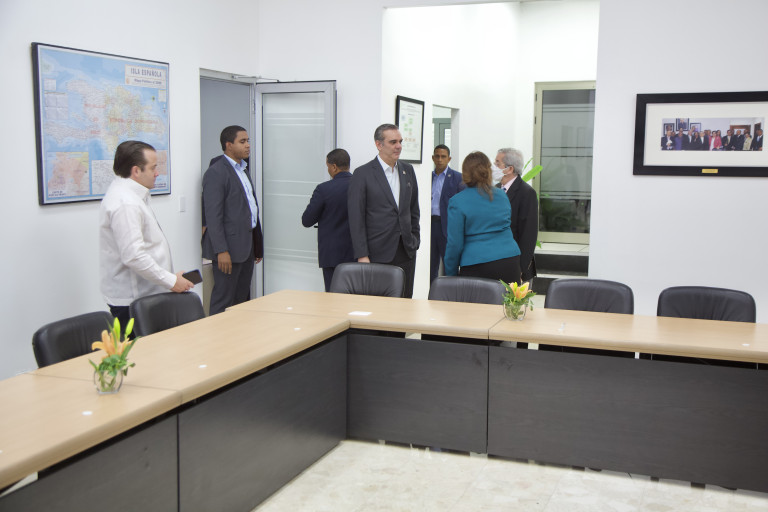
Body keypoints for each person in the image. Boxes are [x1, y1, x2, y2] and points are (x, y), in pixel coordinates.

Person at [100, 140, 194, 329]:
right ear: (136, 171)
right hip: (134, 302)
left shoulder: (133, 195)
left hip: (148, 293)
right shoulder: (125, 203)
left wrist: (170, 277)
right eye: (153, 168)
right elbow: (134, 256)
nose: (157, 173)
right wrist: (171, 281)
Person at [348, 123, 420, 298]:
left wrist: (415, 239)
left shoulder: (407, 170)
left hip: (406, 250)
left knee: (404, 300)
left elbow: (413, 209)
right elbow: (356, 217)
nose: (399, 146)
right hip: (377, 253)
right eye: (393, 142)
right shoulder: (363, 174)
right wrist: (362, 254)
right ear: (378, 145)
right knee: (379, 304)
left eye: (400, 141)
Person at [202, 125, 264, 315]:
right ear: (229, 145)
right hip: (228, 249)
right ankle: (217, 333)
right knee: (223, 300)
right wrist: (221, 250)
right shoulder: (216, 172)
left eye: (248, 141)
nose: (248, 145)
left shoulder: (243, 169)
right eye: (242, 141)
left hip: (246, 247)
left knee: (241, 300)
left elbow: (250, 210)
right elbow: (214, 216)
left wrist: (257, 244)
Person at [443, 151, 521, 283]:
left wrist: (451, 276)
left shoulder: (457, 201)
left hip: (476, 264)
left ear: (465, 174)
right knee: (508, 298)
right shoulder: (502, 195)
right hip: (509, 261)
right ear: (488, 171)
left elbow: (454, 244)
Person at [301, 148, 355, 291]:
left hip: (332, 255)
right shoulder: (360, 186)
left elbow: (307, 220)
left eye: (328, 167)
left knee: (333, 298)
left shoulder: (324, 189)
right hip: (357, 254)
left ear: (334, 167)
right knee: (355, 297)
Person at [495, 148, 539, 282]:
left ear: (509, 169)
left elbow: (529, 234)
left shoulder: (526, 193)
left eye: (497, 163)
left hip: (516, 265)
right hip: (495, 261)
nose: (493, 166)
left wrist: (520, 268)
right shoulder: (495, 189)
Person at [429, 144, 465, 285]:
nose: (440, 160)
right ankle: (431, 291)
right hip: (430, 225)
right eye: (437, 156)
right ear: (433, 158)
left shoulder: (457, 178)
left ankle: (449, 291)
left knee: (449, 263)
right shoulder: (428, 177)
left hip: (447, 227)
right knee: (430, 263)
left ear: (449, 159)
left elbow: (462, 205)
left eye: (443, 157)